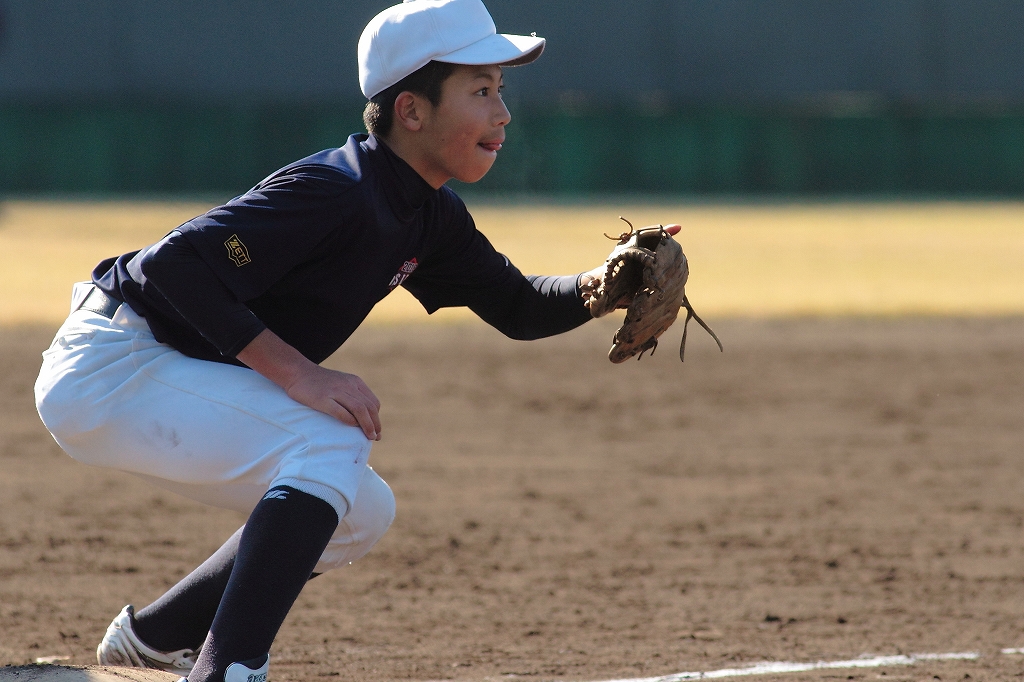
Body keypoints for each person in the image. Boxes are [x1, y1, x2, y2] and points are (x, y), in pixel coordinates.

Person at [34, 1, 656, 681]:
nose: (502, 112)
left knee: (360, 511)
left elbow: (516, 305)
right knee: (331, 437)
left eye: (500, 91)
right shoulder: (336, 190)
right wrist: (299, 374)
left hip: (159, 369)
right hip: (113, 363)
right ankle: (230, 669)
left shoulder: (429, 213)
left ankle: (155, 638)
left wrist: (605, 285)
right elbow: (173, 266)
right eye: (480, 90)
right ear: (412, 112)